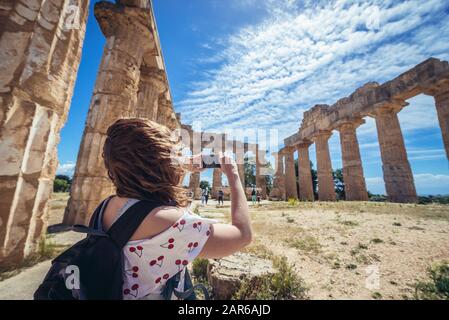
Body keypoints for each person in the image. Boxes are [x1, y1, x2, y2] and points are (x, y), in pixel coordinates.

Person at [101, 118, 252, 300]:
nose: (179, 158)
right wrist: (233, 174)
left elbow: (151, 192)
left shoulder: (105, 206)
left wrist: (176, 166)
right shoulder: (167, 222)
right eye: (174, 153)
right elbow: (242, 235)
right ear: (162, 162)